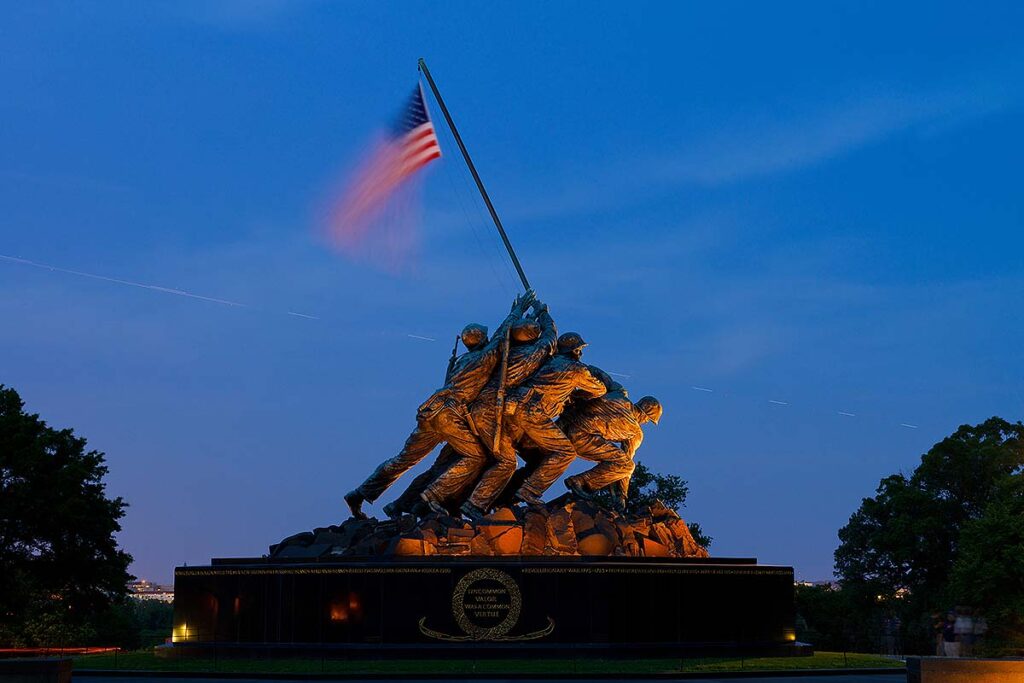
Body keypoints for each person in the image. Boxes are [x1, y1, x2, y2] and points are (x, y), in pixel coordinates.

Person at [343, 291, 535, 519]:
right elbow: (501, 338)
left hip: (430, 412)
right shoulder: (483, 359)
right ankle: (433, 496)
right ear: (481, 340)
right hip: (448, 414)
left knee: (404, 460)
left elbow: (495, 339)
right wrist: (517, 311)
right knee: (476, 457)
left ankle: (361, 492)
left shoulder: (463, 360)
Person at [421, 301, 557, 517]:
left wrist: (520, 314)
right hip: (489, 413)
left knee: (481, 458)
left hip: (475, 412)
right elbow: (550, 340)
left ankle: (448, 499)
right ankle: (465, 501)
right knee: (506, 462)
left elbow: (500, 336)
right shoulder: (531, 354)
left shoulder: (501, 353)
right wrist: (543, 315)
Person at [498, 332, 606, 510]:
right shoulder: (576, 369)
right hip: (533, 414)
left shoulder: (547, 362)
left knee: (539, 458)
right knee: (565, 452)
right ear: (576, 350)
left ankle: (505, 497)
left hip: (514, 411)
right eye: (580, 350)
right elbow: (599, 389)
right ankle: (530, 491)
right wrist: (577, 394)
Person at [558, 367, 663, 511]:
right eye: (648, 421)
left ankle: (585, 486)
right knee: (626, 465)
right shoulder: (635, 432)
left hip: (563, 425)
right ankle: (581, 481)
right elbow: (625, 466)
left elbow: (596, 372)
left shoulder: (618, 393)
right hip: (580, 438)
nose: (645, 423)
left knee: (614, 458)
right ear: (646, 416)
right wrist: (622, 496)